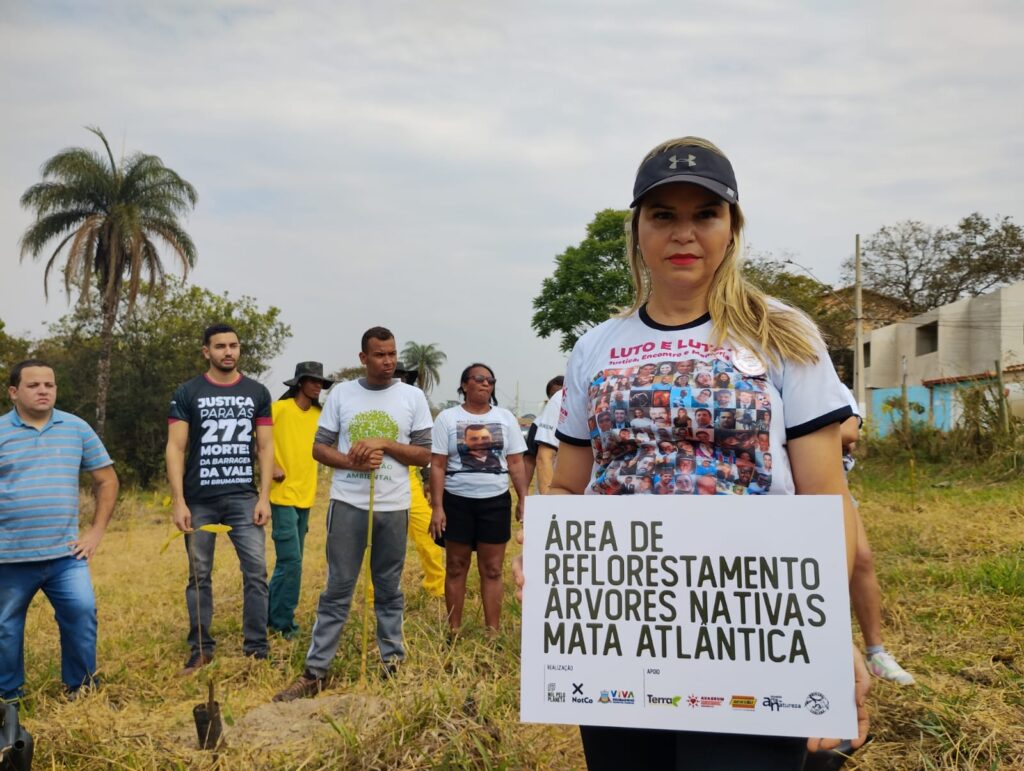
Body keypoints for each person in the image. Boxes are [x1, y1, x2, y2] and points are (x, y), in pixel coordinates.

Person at [514, 136, 868, 768]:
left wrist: (829, 636)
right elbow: (568, 485)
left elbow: (825, 498)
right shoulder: (595, 346)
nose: (685, 233)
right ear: (638, 230)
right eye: (664, 215)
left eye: (705, 213)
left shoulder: (782, 333)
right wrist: (544, 550)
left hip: (751, 625)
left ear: (732, 228)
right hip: (622, 631)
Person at [274, 327, 432, 701]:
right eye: (379, 355)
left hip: (393, 506)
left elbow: (425, 453)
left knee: (389, 588)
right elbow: (319, 448)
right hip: (348, 504)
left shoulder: (412, 396)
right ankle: (316, 672)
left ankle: (391, 663)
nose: (388, 361)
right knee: (338, 588)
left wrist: (385, 444)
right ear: (363, 358)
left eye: (392, 354)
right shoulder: (343, 393)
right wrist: (352, 460)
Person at [0, 360, 119, 702]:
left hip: (66, 556)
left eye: (49, 385)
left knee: (81, 614)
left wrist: (95, 533)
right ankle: (8, 699)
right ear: (13, 392)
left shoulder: (76, 428)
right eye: (33, 385)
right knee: (5, 629)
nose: (43, 391)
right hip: (9, 556)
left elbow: (107, 479)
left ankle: (80, 691)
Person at [166, 324, 274, 674]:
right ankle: (200, 648)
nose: (228, 352)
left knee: (256, 572)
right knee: (199, 575)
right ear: (206, 352)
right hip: (199, 500)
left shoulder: (257, 392)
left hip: (244, 497)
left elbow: (265, 446)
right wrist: (178, 500)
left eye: (233, 346)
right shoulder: (188, 392)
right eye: (220, 346)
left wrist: (265, 496)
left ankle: (256, 647)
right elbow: (176, 447)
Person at [428, 364, 527, 637]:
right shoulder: (447, 419)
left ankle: (492, 632)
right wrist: (437, 507)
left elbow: (516, 462)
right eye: (479, 379)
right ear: (464, 385)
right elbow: (437, 464)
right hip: (456, 501)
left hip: (494, 502)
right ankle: (454, 630)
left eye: (490, 380)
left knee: (493, 569)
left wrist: (523, 498)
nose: (486, 384)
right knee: (456, 566)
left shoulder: (506, 418)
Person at [841, 411, 915, 685]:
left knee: (861, 559)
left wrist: (800, 436)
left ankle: (876, 652)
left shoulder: (827, 380)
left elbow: (850, 430)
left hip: (832, 483)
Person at [267, 361, 335, 639]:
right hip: (281, 495)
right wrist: (270, 466)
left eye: (321, 382)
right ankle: (284, 624)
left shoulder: (321, 415)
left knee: (290, 563)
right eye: (313, 381)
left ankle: (268, 614)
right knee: (291, 561)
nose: (318, 386)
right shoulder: (278, 409)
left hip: (306, 497)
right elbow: (256, 439)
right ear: (300, 382)